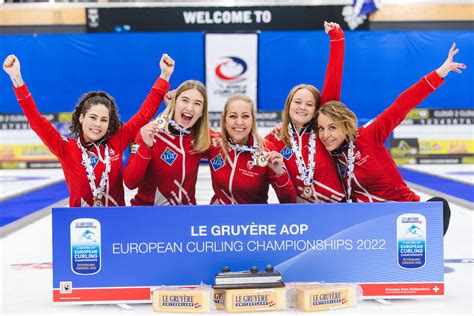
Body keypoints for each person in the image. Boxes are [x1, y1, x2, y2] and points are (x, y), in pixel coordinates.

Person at [316, 43, 466, 235]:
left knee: (439, 206)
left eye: (332, 128)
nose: (325, 135)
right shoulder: (326, 152)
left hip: (404, 214)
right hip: (364, 223)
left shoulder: (368, 135)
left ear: (346, 127)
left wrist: (439, 73)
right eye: (321, 129)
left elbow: (401, 106)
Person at [2, 53, 175, 207]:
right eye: (93, 117)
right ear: (81, 117)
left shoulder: (117, 140)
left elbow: (143, 115)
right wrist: (16, 78)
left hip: (117, 223)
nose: (98, 124)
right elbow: (36, 120)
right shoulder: (66, 148)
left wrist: (164, 76)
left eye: (104, 120)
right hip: (80, 229)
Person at [265, 21, 346, 203]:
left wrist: (337, 38)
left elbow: (334, 78)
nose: (302, 107)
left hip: (336, 210)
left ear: (317, 109)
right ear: (288, 105)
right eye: (298, 102)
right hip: (298, 215)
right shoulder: (273, 140)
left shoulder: (323, 130)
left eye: (309, 104)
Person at [123, 80, 210, 205]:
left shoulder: (200, 137)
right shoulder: (150, 133)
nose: (190, 108)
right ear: (174, 102)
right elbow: (130, 183)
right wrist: (146, 147)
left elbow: (232, 142)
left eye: (197, 103)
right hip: (150, 216)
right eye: (184, 100)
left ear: (202, 111)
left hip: (186, 217)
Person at [208, 94, 296, 204]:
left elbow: (289, 202)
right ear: (224, 119)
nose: (239, 122)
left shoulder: (266, 151)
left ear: (253, 120)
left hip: (254, 220)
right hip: (220, 219)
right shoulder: (214, 143)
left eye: (245, 116)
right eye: (233, 116)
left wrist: (280, 173)